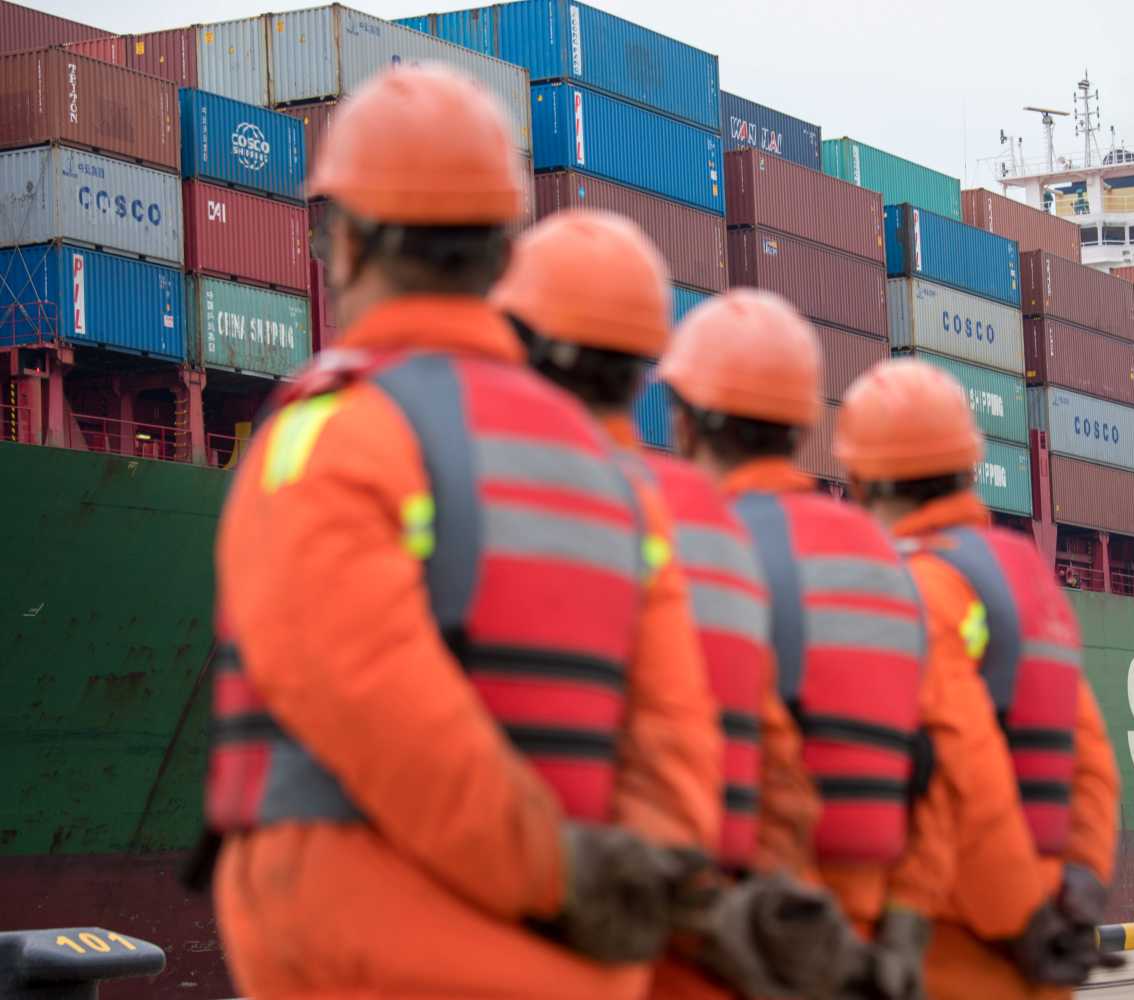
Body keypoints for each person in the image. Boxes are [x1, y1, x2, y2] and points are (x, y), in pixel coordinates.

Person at [202, 65, 721, 999]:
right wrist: (625, 892)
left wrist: (553, 871)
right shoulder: (619, 484)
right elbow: (677, 741)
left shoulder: (328, 435)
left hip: (365, 962)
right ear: (499, 255)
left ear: (347, 241)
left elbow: (372, 700)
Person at [491, 210, 850, 998]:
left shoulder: (509, 491)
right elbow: (776, 768)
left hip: (568, 933)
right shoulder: (717, 529)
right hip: (725, 925)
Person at [659, 291, 1048, 999]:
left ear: (684, 425)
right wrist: (908, 922)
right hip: (873, 937)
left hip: (740, 943)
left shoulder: (695, 544)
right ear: (806, 423)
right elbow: (942, 763)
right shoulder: (888, 564)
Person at [834, 358, 1124, 999]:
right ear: (970, 467)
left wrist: (1020, 920)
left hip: (961, 946)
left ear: (859, 480)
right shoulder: (1026, 577)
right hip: (1047, 937)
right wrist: (1078, 891)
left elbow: (965, 766)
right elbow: (1091, 764)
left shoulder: (917, 588)